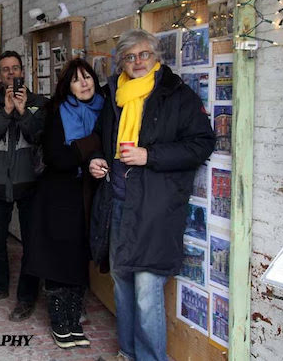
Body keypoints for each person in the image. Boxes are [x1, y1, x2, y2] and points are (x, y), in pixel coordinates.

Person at [88, 29, 215, 361]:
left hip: (156, 207)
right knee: (121, 282)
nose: (138, 62)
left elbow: (202, 144)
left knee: (147, 290)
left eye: (144, 54)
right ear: (122, 63)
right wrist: (97, 159)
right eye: (130, 57)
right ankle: (127, 352)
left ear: (157, 56)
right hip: (117, 202)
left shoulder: (177, 95)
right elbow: (100, 138)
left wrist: (150, 156)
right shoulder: (114, 95)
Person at [24, 59, 104, 349]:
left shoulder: (103, 109)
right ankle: (60, 322)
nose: (84, 84)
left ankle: (73, 321)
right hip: (58, 195)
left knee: (80, 256)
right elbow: (58, 157)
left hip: (87, 193)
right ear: (66, 86)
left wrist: (90, 150)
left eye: (88, 77)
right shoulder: (57, 111)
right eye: (76, 80)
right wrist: (92, 145)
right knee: (58, 258)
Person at [0, 50, 47, 321]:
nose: (11, 73)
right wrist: (5, 110)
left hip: (29, 182)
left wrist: (23, 110)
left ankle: (27, 298)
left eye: (15, 68)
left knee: (31, 242)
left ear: (23, 72)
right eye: (5, 69)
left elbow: (40, 134)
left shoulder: (39, 103)